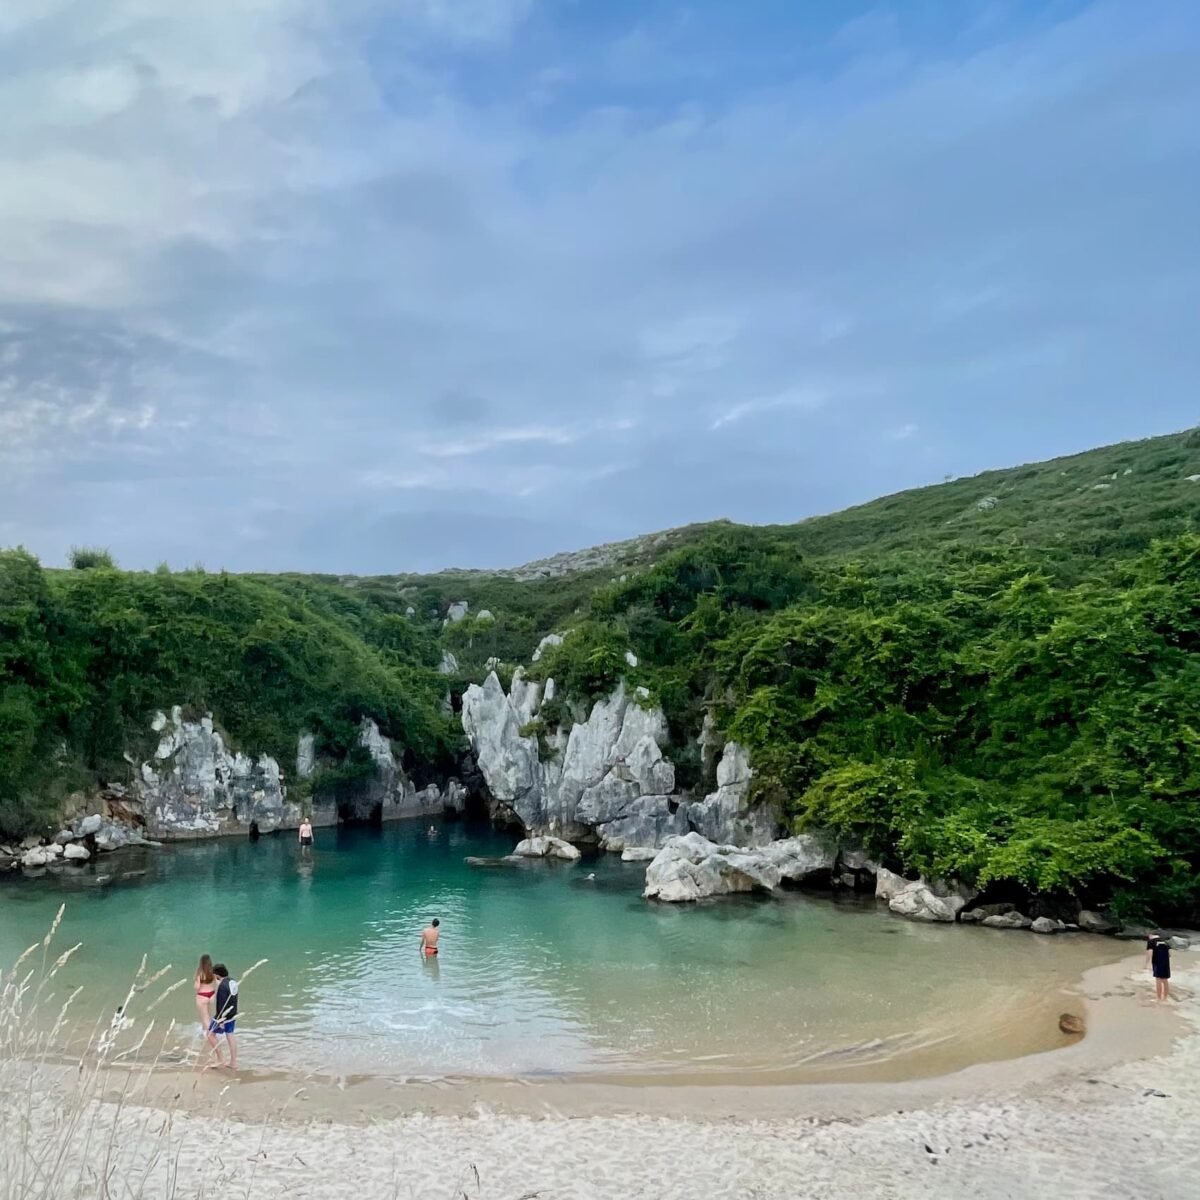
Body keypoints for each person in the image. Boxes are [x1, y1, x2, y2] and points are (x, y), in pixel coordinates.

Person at [205, 963, 240, 1069]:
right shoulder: (233, 982)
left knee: (210, 1034)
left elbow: (221, 1003)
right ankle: (233, 1062)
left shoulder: (222, 986)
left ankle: (220, 1059)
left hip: (223, 1015)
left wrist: (220, 1020)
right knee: (230, 1036)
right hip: (233, 1013)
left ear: (217, 975)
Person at [1146, 932, 1172, 1001]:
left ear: (1150, 935)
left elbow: (1150, 952)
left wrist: (1147, 963)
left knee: (1158, 980)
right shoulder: (1165, 942)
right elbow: (1169, 955)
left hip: (1157, 962)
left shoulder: (1151, 941)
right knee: (1165, 980)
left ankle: (1158, 998)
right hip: (1166, 963)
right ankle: (1165, 998)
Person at [194, 954, 216, 1029]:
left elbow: (197, 987)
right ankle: (205, 1032)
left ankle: (210, 1036)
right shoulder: (213, 971)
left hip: (202, 996)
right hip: (212, 995)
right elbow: (217, 982)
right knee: (209, 1016)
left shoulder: (200, 972)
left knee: (205, 1018)